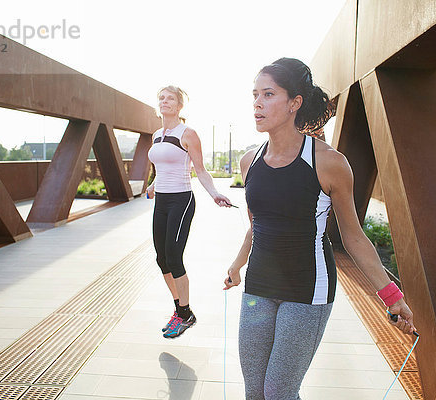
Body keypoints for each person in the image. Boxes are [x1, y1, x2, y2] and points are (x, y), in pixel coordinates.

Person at [223, 58, 416, 399]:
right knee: (254, 392)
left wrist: (392, 296)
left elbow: (354, 237)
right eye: (255, 94)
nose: (257, 103)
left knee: (279, 392)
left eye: (268, 94)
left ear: (295, 103)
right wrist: (237, 266)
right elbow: (257, 227)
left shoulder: (329, 162)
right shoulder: (249, 160)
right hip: (259, 287)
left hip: (308, 289)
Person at [147, 85, 231, 339]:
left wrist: (214, 193)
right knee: (162, 259)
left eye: (170, 98)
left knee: (174, 257)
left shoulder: (188, 133)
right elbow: (161, 167)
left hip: (181, 201)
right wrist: (152, 186)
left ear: (180, 105)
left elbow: (200, 170)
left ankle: (185, 313)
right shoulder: (156, 135)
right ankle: (181, 311)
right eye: (161, 98)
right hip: (160, 200)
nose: (165, 101)